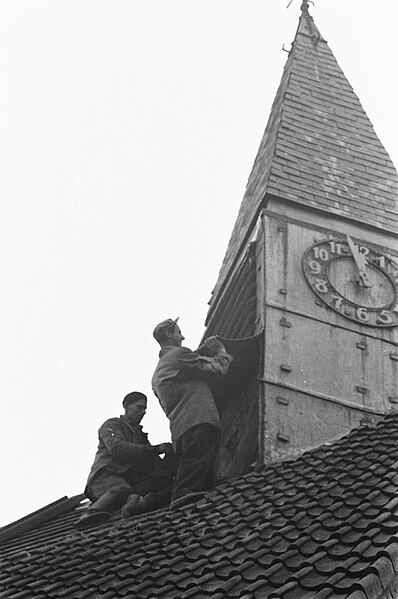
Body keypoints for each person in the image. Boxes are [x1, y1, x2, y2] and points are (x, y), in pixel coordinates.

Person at [151, 318, 233, 508]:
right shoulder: (180, 355)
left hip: (181, 429)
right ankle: (180, 503)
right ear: (170, 334)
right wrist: (219, 351)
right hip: (199, 421)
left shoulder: (159, 372)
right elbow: (218, 368)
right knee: (190, 480)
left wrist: (201, 352)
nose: (183, 337)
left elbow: (186, 369)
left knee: (192, 471)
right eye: (179, 332)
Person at [76, 391, 176, 528]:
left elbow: (153, 466)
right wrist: (156, 449)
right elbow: (117, 449)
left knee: (162, 480)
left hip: (130, 483)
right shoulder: (112, 425)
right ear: (127, 406)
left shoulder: (141, 437)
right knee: (121, 490)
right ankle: (92, 512)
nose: (143, 412)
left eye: (145, 409)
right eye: (139, 407)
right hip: (105, 477)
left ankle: (133, 505)